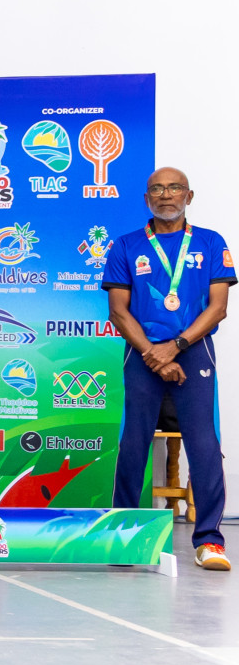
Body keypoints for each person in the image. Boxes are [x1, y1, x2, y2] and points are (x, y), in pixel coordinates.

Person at [103, 166, 233, 571]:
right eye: (156, 189)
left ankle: (209, 541)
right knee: (133, 445)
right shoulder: (126, 246)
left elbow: (218, 307)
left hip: (194, 351)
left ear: (188, 196)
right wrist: (153, 354)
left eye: (174, 188)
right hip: (142, 354)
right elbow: (118, 311)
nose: (165, 195)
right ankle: (124, 534)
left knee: (205, 445)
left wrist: (175, 347)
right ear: (147, 199)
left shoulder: (211, 243)